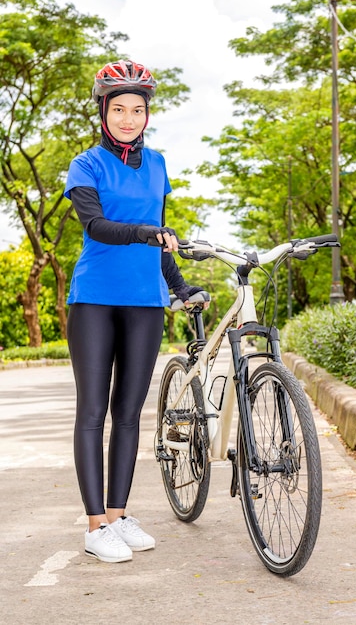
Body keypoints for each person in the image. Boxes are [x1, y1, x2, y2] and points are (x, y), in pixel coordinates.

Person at [64, 59, 204, 563]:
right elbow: (97, 226)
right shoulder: (87, 165)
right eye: (118, 108)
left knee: (128, 415)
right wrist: (145, 234)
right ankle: (95, 524)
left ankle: (119, 515)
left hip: (147, 300)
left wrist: (180, 286)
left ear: (147, 115)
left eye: (137, 109)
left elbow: (160, 235)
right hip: (95, 298)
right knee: (92, 413)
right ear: (104, 111)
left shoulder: (159, 165)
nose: (128, 117)